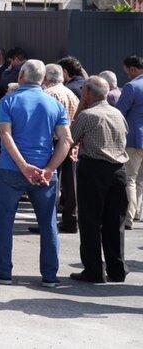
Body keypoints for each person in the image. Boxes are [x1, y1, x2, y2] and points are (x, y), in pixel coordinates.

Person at [0, 59, 72, 287]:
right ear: (42, 79)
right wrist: (50, 168)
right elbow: (66, 140)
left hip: (11, 170)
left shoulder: (9, 100)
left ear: (21, 75)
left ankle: (2, 271)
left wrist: (23, 165)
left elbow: (6, 135)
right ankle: (50, 275)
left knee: (2, 222)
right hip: (44, 173)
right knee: (48, 223)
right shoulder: (54, 105)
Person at [70, 76, 128, 283]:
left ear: (87, 93)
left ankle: (94, 270)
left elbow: (70, 138)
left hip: (94, 169)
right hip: (119, 170)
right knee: (114, 222)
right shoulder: (117, 114)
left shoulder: (87, 115)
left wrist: (79, 109)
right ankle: (117, 269)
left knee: (90, 221)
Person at [43, 63, 80, 233]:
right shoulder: (70, 93)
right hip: (71, 141)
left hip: (54, 142)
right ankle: (71, 219)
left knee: (51, 181)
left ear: (46, 77)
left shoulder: (49, 94)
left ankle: (48, 220)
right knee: (70, 183)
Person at [115, 55, 143, 229]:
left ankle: (128, 218)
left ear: (132, 69)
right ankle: (138, 212)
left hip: (134, 138)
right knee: (141, 179)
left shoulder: (132, 86)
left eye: (126, 71)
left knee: (130, 178)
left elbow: (119, 113)